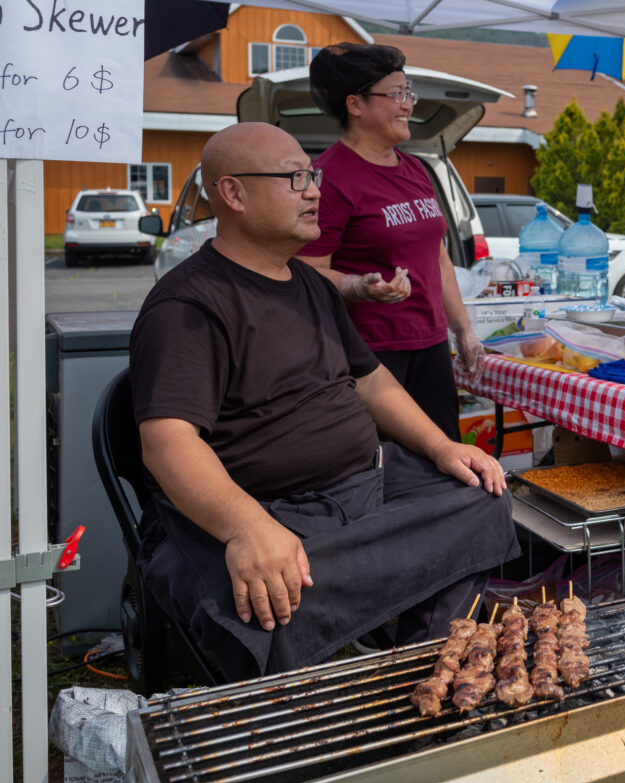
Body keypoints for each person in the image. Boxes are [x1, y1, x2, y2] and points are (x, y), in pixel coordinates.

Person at [129, 122, 519, 681]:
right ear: (233, 194)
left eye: (310, 175)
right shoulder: (189, 304)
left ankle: (422, 668)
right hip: (268, 510)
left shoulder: (309, 285)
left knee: (482, 496)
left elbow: (370, 381)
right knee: (264, 595)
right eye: (294, 179)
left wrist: (440, 446)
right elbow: (166, 443)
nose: (314, 190)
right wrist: (245, 529)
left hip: (364, 489)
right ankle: (319, 668)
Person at [296, 43, 483, 443]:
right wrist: (357, 286)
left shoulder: (415, 169)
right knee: (386, 467)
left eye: (408, 94)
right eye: (396, 94)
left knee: (445, 456)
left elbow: (438, 258)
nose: (407, 105)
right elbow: (303, 271)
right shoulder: (330, 177)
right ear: (355, 105)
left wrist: (463, 329)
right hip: (369, 356)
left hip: (430, 345)